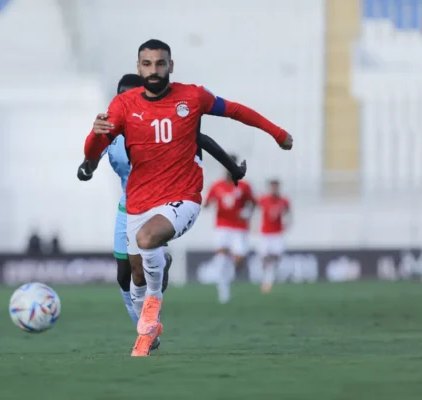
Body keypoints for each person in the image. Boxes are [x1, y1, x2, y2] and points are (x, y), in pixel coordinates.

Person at [84, 39, 292, 356]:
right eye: (147, 64)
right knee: (132, 273)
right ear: (139, 67)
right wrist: (92, 142)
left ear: (170, 65)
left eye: (160, 63)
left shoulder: (191, 98)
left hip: (182, 196)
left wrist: (276, 134)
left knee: (147, 239)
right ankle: (148, 331)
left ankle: (153, 302)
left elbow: (232, 113)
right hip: (136, 202)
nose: (154, 70)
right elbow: (92, 152)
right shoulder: (122, 109)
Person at [78, 73, 246, 351]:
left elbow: (201, 140)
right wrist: (86, 167)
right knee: (124, 276)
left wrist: (232, 168)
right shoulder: (112, 128)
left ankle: (147, 331)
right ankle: (148, 329)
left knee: (143, 268)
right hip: (127, 206)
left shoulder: (160, 125)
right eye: (121, 96)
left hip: (159, 203)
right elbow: (93, 156)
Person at [204, 154, 256, 304]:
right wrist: (206, 203)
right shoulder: (217, 186)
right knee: (221, 256)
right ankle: (223, 290)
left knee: (239, 257)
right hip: (222, 226)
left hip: (239, 227)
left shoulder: (244, 186)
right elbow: (207, 203)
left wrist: (247, 212)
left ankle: (230, 275)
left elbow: (253, 203)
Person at [257, 179, 292, 293]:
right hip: (265, 234)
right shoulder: (263, 199)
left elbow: (288, 213)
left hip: (277, 234)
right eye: (272, 187)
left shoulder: (284, 200)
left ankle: (269, 279)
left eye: (276, 186)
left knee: (276, 257)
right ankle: (267, 279)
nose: (274, 189)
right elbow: (256, 211)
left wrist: (288, 224)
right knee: (264, 258)